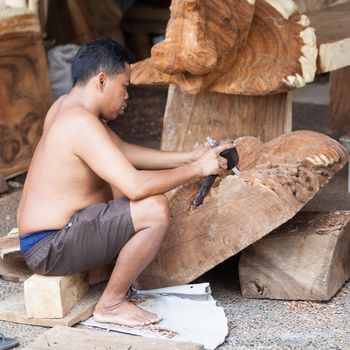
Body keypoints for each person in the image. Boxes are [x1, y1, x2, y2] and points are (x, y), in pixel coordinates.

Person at [16, 38, 234, 327]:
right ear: (102, 80)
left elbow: (123, 152)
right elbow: (135, 186)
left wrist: (188, 157)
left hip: (44, 239)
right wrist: (197, 169)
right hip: (51, 246)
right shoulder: (79, 123)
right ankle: (112, 303)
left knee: (116, 184)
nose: (127, 97)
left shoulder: (65, 107)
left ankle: (97, 271)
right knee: (153, 209)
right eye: (125, 87)